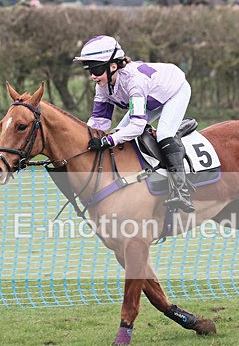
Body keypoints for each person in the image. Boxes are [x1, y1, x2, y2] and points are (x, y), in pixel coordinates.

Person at [74, 35, 195, 213]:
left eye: (97, 70)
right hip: (151, 98)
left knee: (164, 134)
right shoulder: (102, 86)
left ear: (113, 66)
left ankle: (181, 191)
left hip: (174, 91)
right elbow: (99, 123)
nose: (93, 76)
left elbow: (137, 127)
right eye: (89, 70)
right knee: (120, 132)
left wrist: (108, 141)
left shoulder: (134, 82)